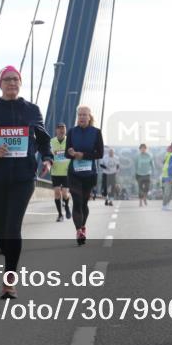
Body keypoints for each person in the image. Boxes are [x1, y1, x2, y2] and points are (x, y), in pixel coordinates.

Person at [0, 65, 52, 299]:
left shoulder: (32, 110)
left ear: (20, 82)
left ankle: (9, 280)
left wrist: (47, 159)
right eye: (7, 79)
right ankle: (11, 255)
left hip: (23, 177)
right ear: (0, 84)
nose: (12, 83)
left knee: (12, 227)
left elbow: (44, 141)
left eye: (15, 79)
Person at [66, 105, 104, 245]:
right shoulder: (71, 132)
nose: (82, 117)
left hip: (89, 174)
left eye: (84, 115)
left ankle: (83, 226)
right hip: (74, 173)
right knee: (76, 201)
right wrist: (70, 153)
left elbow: (100, 153)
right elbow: (66, 153)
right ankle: (78, 231)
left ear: (89, 117)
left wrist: (83, 155)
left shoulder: (96, 132)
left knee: (84, 203)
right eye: (80, 115)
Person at [49, 123, 72, 222]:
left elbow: (73, 155)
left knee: (65, 193)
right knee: (57, 193)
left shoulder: (69, 141)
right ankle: (60, 215)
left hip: (67, 172)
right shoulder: (51, 142)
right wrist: (49, 161)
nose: (61, 130)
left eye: (63, 128)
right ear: (56, 130)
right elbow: (47, 154)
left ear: (65, 130)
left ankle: (66, 206)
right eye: (59, 128)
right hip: (55, 171)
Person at [160, 142, 172, 210]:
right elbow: (171, 165)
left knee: (171, 190)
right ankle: (165, 205)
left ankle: (166, 205)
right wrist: (170, 176)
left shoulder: (168, 154)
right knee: (169, 191)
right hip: (170, 175)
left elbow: (164, 163)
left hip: (167, 175)